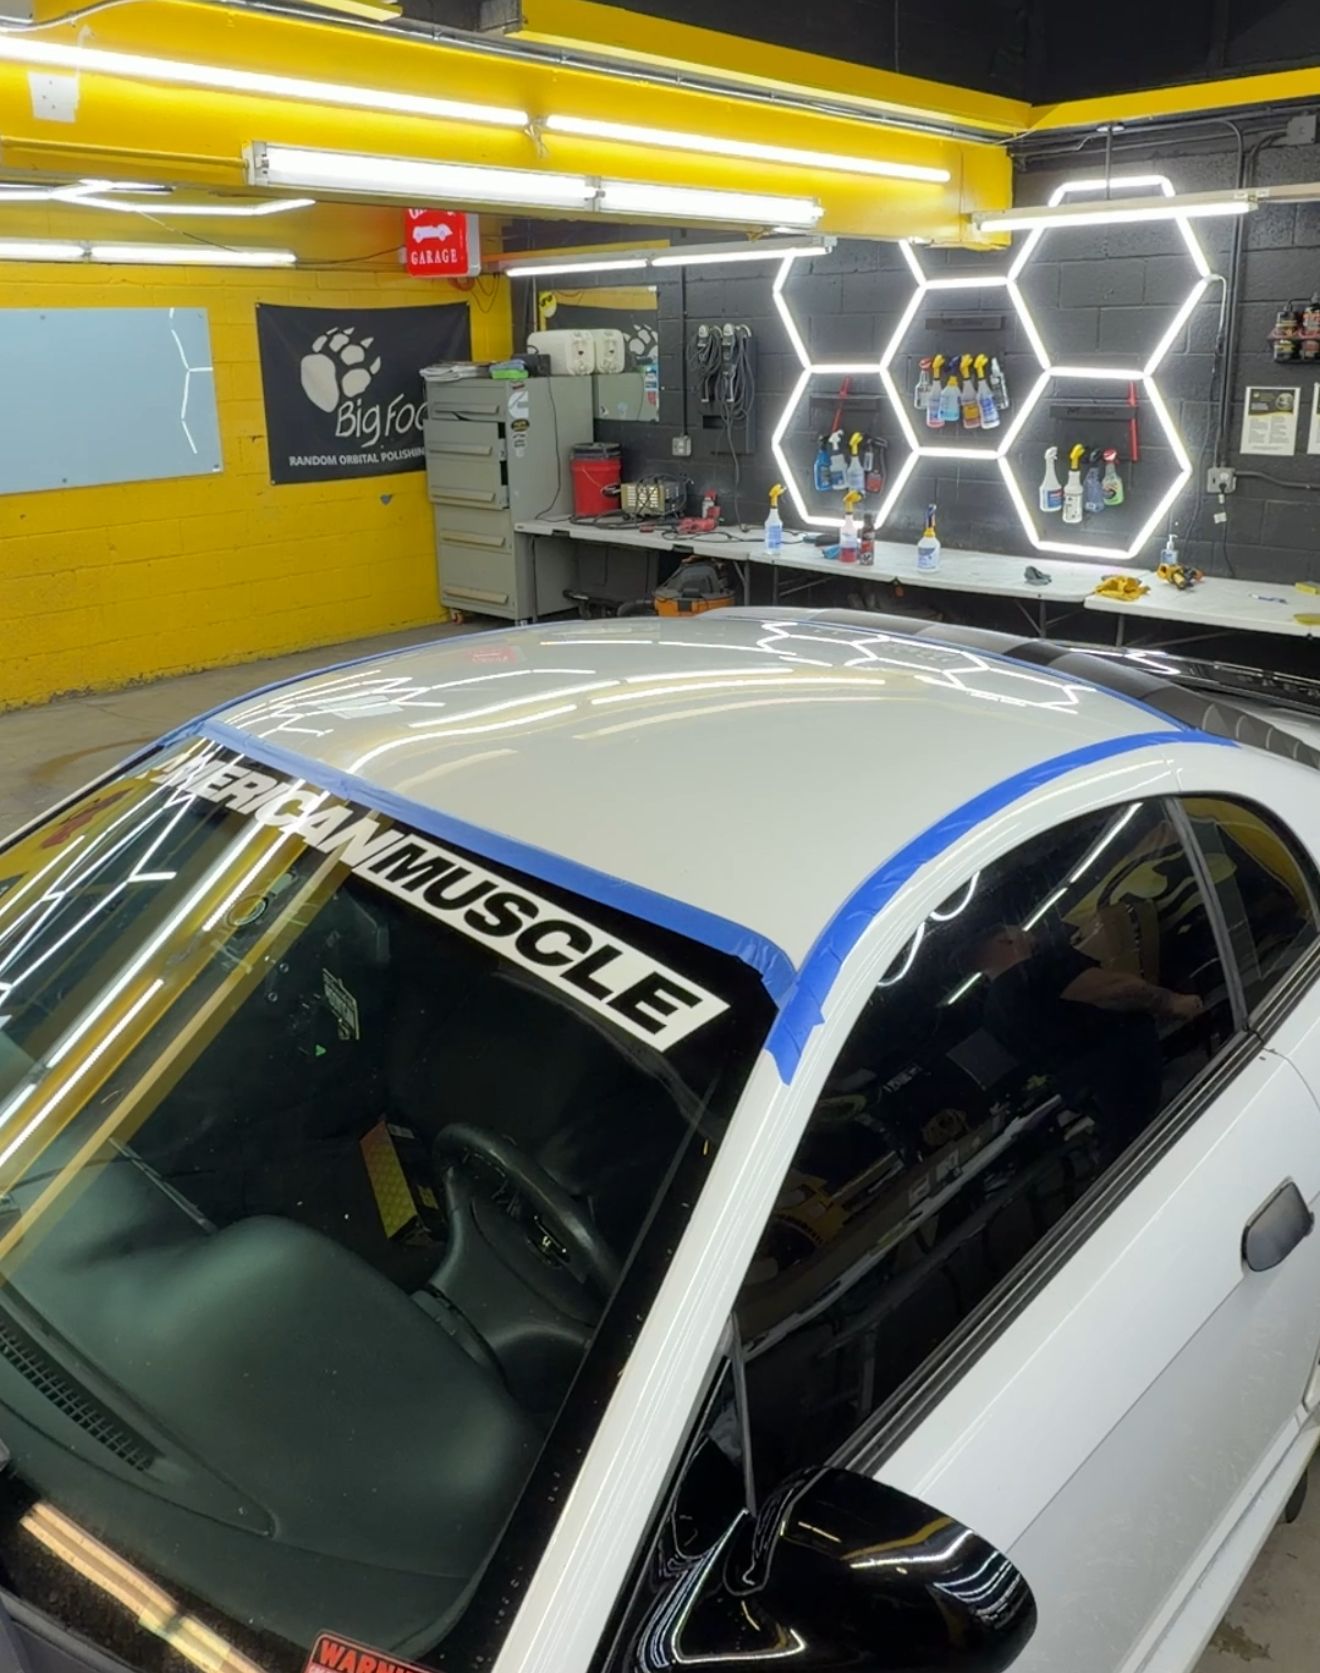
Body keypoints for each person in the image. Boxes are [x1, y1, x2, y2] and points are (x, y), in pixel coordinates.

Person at [971, 921, 1203, 1151]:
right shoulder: (1035, 970)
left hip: (1089, 1096)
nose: (1029, 934)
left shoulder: (991, 1014)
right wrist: (1173, 1002)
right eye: (1021, 931)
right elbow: (1116, 990)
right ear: (1006, 940)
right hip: (1132, 1076)